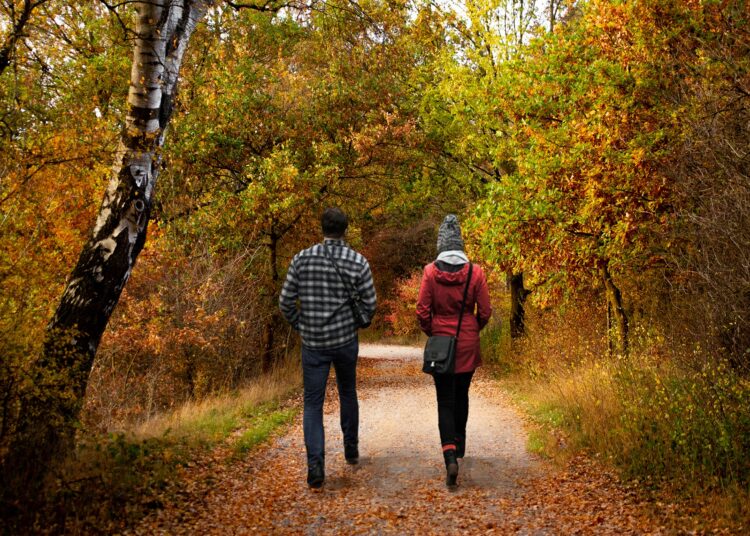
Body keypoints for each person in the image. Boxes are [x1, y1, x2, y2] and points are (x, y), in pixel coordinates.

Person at [279, 207, 377, 489]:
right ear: (345, 230)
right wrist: (353, 323)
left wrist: (302, 326)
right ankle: (351, 448)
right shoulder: (358, 262)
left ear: (322, 228)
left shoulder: (302, 259)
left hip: (313, 344)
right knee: (348, 391)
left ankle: (316, 465)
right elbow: (370, 305)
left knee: (313, 403)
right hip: (345, 341)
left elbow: (285, 302)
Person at [416, 214, 492, 487]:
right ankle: (459, 445)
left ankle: (449, 455)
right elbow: (485, 311)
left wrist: (434, 332)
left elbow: (422, 311)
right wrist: (472, 329)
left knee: (444, 400)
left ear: (440, 245)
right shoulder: (476, 272)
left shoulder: (429, 272)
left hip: (441, 347)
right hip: (467, 343)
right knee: (462, 395)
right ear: (460, 243)